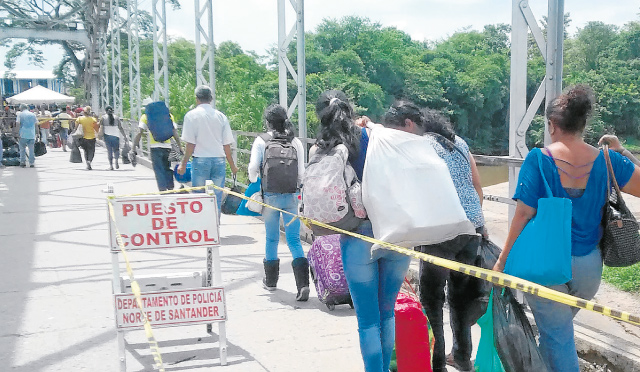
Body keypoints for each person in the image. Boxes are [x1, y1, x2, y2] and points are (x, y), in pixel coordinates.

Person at [493, 85, 640, 372]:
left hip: (548, 266)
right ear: (584, 124)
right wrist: (623, 151)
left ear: (551, 125)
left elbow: (523, 214)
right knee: (553, 334)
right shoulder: (608, 159)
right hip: (589, 269)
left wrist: (502, 260)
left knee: (557, 337)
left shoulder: (539, 159)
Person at [314, 90, 411, 372]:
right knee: (386, 313)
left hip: (357, 236)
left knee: (367, 320)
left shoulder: (326, 146)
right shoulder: (375, 136)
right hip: (394, 233)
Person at [416, 107, 486, 372]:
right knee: (460, 297)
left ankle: (437, 364)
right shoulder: (460, 144)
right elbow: (476, 186)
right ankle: (461, 357)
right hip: (470, 228)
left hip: (440, 230)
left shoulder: (423, 146)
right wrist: (478, 222)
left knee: (432, 298)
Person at [247, 104, 309, 300]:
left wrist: (256, 181)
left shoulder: (261, 141)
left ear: (268, 122)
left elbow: (252, 170)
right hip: (291, 197)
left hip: (270, 197)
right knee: (293, 239)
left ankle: (271, 282)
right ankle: (303, 285)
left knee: (272, 238)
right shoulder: (295, 142)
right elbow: (301, 174)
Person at [178, 85, 238, 215]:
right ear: (211, 99)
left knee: (198, 196)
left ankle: (202, 228)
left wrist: (183, 164)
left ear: (196, 99)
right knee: (216, 197)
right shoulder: (221, 116)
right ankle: (215, 227)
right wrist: (233, 166)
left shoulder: (191, 116)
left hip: (200, 161)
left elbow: (190, 145)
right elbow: (227, 145)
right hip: (219, 161)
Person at [132, 99, 183, 190]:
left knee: (159, 170)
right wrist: (180, 146)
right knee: (167, 168)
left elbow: (139, 132)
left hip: (154, 148)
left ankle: (162, 191)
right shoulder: (168, 115)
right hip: (167, 147)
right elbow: (174, 132)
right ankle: (170, 188)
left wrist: (133, 148)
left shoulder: (146, 116)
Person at [99, 106, 128, 170]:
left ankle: (111, 166)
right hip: (116, 136)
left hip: (107, 136)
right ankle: (116, 161)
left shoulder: (103, 118)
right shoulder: (116, 117)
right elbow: (120, 127)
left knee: (109, 151)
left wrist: (100, 136)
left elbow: (101, 127)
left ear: (105, 111)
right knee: (116, 150)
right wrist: (124, 136)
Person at [75, 106, 98, 170]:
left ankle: (87, 162)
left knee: (85, 151)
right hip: (92, 137)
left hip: (83, 137)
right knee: (91, 151)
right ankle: (89, 161)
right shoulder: (93, 119)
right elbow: (96, 128)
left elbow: (75, 127)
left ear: (83, 112)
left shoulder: (80, 119)